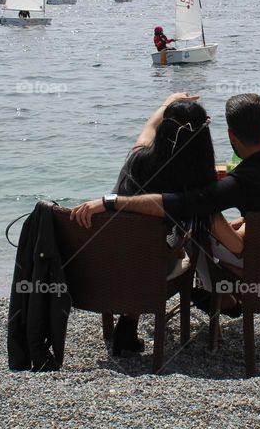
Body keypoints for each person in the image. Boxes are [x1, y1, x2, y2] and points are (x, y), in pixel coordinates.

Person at [66, 93, 260, 314]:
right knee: (205, 219)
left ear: (231, 136)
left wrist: (112, 202)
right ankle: (221, 296)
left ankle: (220, 296)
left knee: (199, 223)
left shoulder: (240, 182)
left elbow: (177, 203)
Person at [84, 93, 216, 355]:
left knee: (151, 239)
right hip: (154, 268)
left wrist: (169, 102)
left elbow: (148, 129)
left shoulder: (137, 159)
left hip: (111, 260)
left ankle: (130, 320)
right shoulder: (199, 185)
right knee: (185, 236)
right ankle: (215, 296)